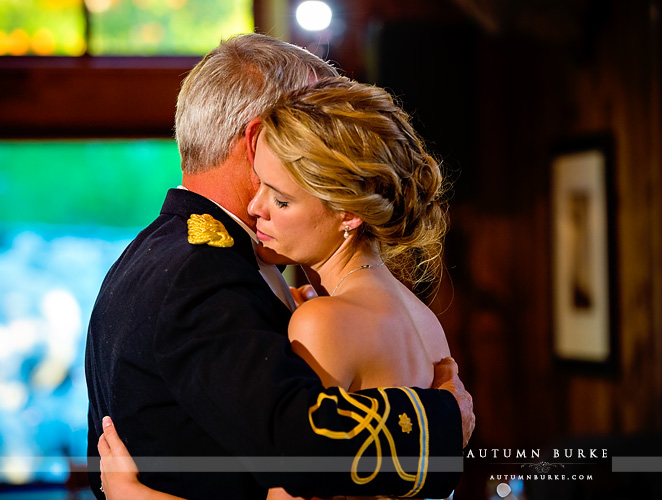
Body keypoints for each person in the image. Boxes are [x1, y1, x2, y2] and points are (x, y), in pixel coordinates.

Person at [85, 34, 474, 500]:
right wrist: (440, 426)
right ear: (258, 141)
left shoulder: (159, 253)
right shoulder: (200, 273)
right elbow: (296, 438)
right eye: (310, 118)